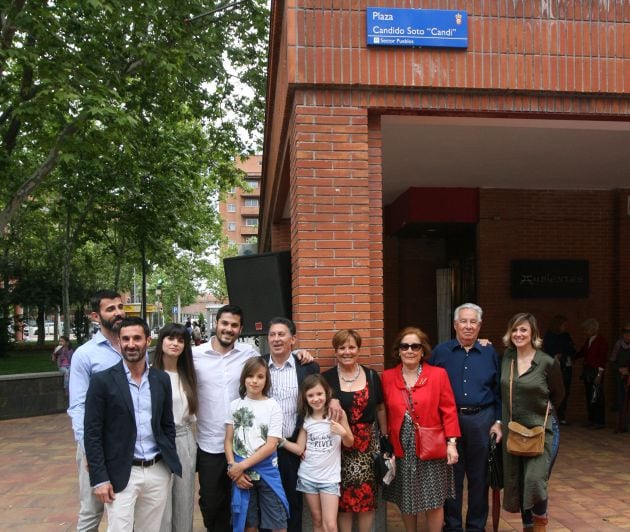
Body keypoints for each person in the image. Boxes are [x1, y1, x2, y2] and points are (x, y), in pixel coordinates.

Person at [193, 306, 314, 531]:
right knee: (215, 504)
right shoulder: (196, 355)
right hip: (215, 445)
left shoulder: (248, 354)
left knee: (265, 506)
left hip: (262, 449)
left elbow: (282, 360)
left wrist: (298, 352)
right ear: (216, 324)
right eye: (224, 323)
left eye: (234, 325)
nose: (228, 329)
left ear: (240, 329)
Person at [83, 317, 182, 532]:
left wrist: (167, 464)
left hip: (157, 470)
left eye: (136, 338)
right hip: (121, 472)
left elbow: (167, 425)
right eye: (125, 339)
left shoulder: (160, 380)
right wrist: (99, 479)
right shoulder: (102, 382)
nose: (130, 344)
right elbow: (92, 433)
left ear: (148, 340)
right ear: (118, 342)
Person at [430, 303, 502, 532]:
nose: (468, 326)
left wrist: (498, 422)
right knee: (451, 478)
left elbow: (499, 391)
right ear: (454, 325)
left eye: (473, 322)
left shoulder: (490, 352)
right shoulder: (441, 352)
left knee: (479, 478)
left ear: (480, 326)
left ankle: (475, 527)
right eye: (463, 321)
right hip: (449, 422)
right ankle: (452, 526)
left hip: (482, 419)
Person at [382, 327, 460, 532]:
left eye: (415, 346)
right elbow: (383, 411)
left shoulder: (438, 375)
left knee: (434, 498)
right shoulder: (387, 377)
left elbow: (449, 410)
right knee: (407, 498)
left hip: (431, 446)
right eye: (404, 346)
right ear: (398, 351)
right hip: (402, 446)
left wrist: (451, 444)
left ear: (423, 350)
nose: (409, 350)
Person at [68, 289, 126, 531]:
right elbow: (78, 405)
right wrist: (88, 448)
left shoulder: (133, 344)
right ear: (95, 316)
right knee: (92, 511)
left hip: (128, 443)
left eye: (120, 307)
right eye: (110, 309)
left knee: (124, 508)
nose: (119, 312)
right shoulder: (85, 355)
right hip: (96, 442)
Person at [501, 313, 564, 532]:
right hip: (514, 430)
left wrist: (547, 406)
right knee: (520, 480)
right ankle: (528, 527)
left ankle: (540, 526)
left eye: (523, 330)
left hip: (543, 429)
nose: (518, 334)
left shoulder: (547, 362)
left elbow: (559, 393)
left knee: (535, 480)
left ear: (533, 333)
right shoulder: (507, 358)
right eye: (515, 330)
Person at [322, 329, 389, 532]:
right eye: (342, 348)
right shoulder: (327, 378)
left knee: (366, 500)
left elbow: (380, 408)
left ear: (358, 349)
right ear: (336, 351)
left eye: (351, 347)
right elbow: (314, 405)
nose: (347, 352)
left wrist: (385, 438)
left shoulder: (371, 375)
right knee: (343, 502)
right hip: (337, 446)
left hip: (367, 447)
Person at [262, 317, 320, 532]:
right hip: (262, 448)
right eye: (272, 335)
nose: (276, 339)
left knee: (293, 504)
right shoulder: (258, 365)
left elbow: (317, 400)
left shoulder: (307, 367)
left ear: (293, 339)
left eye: (281, 334)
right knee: (266, 504)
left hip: (293, 446)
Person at [283, 374, 354, 532]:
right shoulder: (306, 419)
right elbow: (300, 449)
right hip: (308, 477)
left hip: (329, 479)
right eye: (310, 395)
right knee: (317, 520)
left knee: (330, 524)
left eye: (319, 394)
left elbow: (350, 442)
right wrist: (280, 441)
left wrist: (342, 432)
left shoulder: (337, 415)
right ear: (305, 398)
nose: (316, 399)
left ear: (327, 393)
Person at [225, 357, 289, 532]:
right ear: (243, 378)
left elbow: (271, 445)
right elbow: (228, 440)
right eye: (250, 376)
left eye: (260, 376)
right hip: (241, 475)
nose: (254, 380)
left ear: (266, 380)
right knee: (248, 524)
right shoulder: (235, 405)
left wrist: (240, 466)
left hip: (267, 471)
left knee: (278, 524)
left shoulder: (272, 406)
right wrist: (234, 469)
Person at [153, 323, 199, 532]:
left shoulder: (188, 374)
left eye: (180, 340)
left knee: (183, 500)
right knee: (160, 503)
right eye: (170, 338)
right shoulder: (149, 374)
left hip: (184, 439)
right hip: (157, 442)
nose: (175, 344)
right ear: (161, 341)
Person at [574, 318, 609, 429]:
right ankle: (592, 419)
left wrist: (599, 374)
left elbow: (602, 359)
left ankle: (599, 421)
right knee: (590, 395)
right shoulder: (589, 340)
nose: (585, 332)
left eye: (586, 330)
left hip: (596, 371)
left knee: (596, 396)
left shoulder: (601, 341)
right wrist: (573, 356)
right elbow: (583, 352)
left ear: (593, 329)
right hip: (588, 370)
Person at [542, 315, 576, 425]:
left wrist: (564, 354)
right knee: (554, 390)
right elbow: (547, 350)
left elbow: (572, 349)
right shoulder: (549, 336)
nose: (565, 327)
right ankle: (553, 414)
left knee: (564, 390)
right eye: (564, 325)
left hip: (566, 366)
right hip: (554, 367)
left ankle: (562, 415)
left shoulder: (566, 336)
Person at [610, 322, 630, 433]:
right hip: (621, 376)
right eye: (626, 333)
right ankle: (620, 424)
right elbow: (612, 361)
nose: (628, 335)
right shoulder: (618, 345)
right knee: (621, 400)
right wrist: (619, 369)